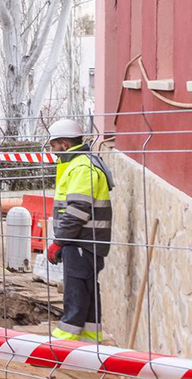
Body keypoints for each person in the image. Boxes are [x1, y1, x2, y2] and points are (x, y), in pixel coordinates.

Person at [45, 119, 114, 342]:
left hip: (82, 241)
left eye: (53, 146)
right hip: (87, 241)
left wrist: (59, 241)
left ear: (65, 144)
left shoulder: (82, 167)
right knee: (87, 290)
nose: (53, 152)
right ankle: (89, 338)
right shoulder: (83, 163)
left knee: (75, 292)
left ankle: (64, 341)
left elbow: (77, 210)